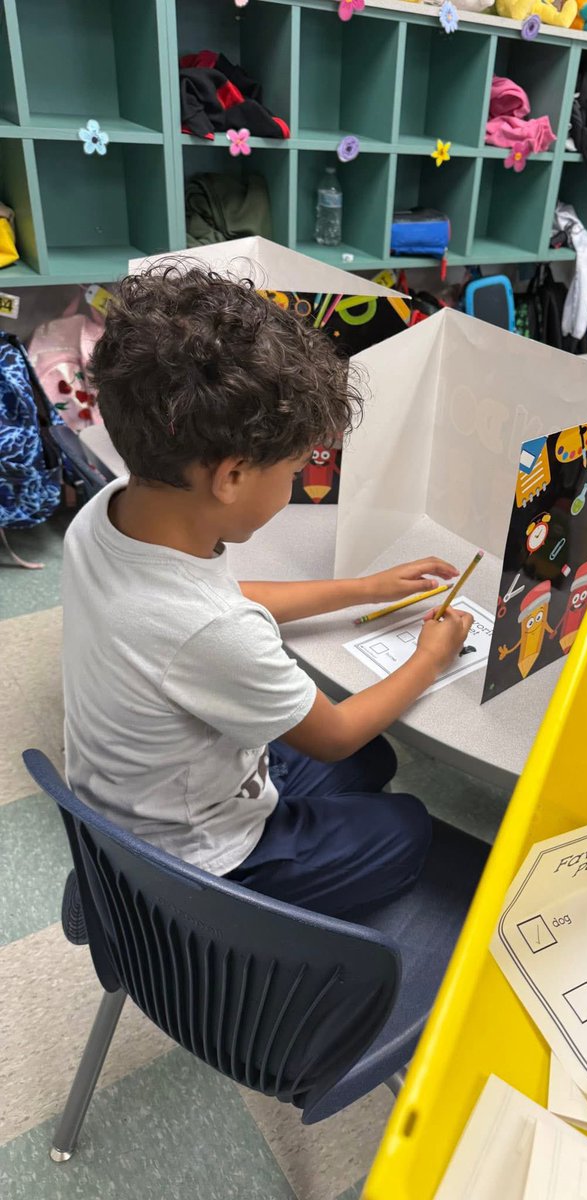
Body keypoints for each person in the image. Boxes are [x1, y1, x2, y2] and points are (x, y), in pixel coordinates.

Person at [62, 267, 472, 919]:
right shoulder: (213, 632)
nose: (295, 483)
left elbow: (225, 597)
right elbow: (331, 733)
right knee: (407, 827)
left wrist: (362, 588)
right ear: (232, 476)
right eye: (292, 469)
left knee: (374, 761)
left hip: (139, 803)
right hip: (202, 862)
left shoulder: (111, 513)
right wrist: (431, 657)